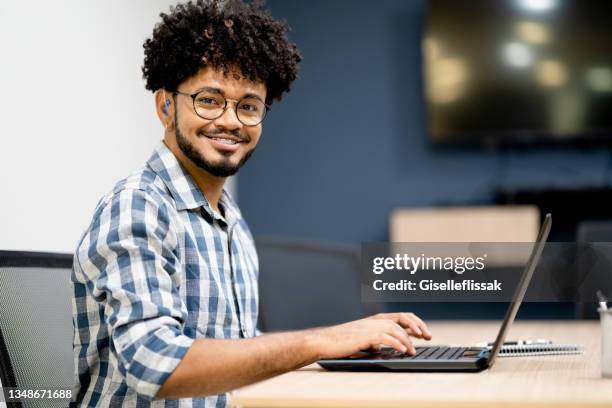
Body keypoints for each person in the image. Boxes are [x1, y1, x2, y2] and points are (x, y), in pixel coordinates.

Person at [71, 0, 432, 406]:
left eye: (248, 106)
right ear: (165, 106)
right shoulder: (138, 208)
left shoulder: (231, 221)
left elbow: (236, 349)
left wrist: (347, 340)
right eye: (209, 99)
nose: (230, 120)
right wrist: (322, 340)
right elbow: (157, 363)